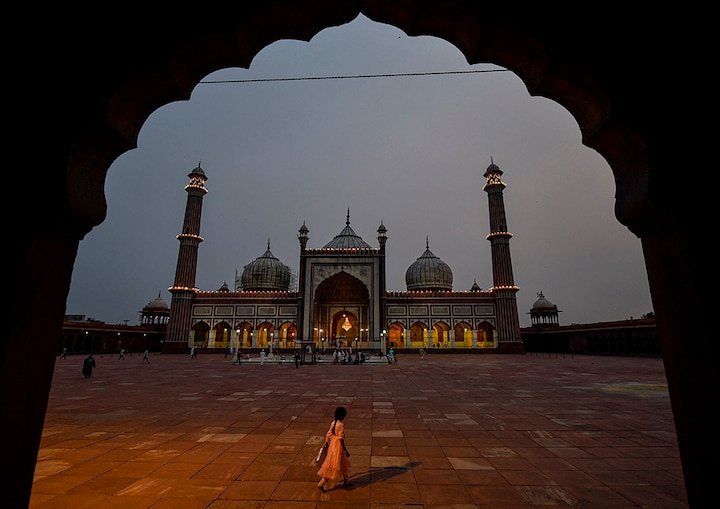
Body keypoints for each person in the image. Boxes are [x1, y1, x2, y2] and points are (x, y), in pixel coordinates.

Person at [317, 406, 351, 492]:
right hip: (338, 446)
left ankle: (346, 481)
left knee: (340, 463)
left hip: (333, 445)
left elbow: (328, 434)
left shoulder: (333, 423)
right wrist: (345, 450)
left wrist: (327, 443)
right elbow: (341, 439)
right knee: (336, 464)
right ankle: (321, 483)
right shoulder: (340, 425)